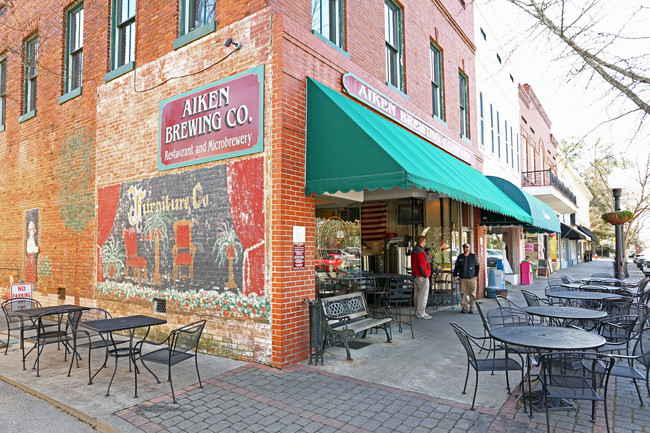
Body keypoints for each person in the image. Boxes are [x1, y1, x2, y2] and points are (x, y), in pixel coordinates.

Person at [453, 243, 479, 314]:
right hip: (462, 278)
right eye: (464, 247)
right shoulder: (460, 257)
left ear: (469, 248)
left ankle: (472, 308)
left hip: (472, 278)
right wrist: (455, 275)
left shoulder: (473, 257)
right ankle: (464, 307)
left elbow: (477, 266)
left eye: (467, 247)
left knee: (472, 293)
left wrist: (476, 275)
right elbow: (456, 267)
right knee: (463, 293)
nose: (465, 248)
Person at [411, 235, 432, 319]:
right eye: (425, 241)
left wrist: (426, 257)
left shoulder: (415, 250)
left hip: (416, 276)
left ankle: (417, 311)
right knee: (423, 295)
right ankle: (421, 313)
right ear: (423, 241)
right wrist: (426, 275)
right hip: (422, 276)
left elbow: (418, 262)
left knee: (417, 294)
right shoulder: (420, 251)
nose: (426, 243)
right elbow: (422, 265)